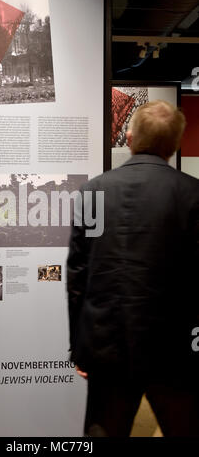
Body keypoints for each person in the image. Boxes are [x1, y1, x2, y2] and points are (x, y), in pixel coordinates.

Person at [67, 100, 199, 437]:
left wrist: (79, 344)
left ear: (129, 137)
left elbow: (78, 274)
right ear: (175, 144)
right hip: (173, 347)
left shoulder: (94, 192)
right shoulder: (192, 194)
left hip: (106, 343)